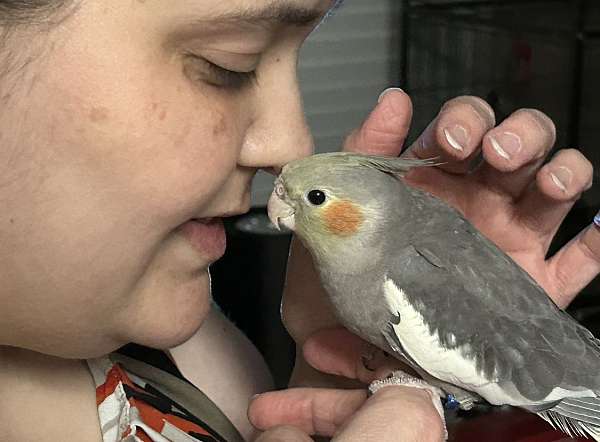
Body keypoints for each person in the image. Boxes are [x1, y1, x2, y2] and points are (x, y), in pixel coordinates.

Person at [0, 1, 598, 441]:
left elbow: (279, 420)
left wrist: (339, 373)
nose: (291, 140)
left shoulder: (189, 355)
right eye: (228, 63)